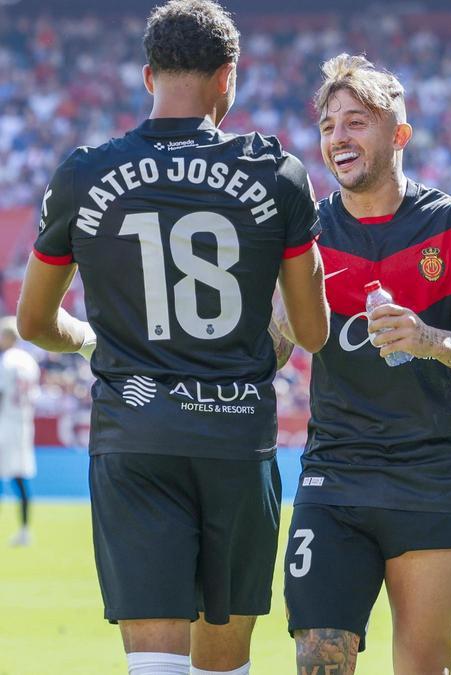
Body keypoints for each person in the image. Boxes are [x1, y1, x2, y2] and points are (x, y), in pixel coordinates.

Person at [15, 1, 330, 673]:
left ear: (146, 74)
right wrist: (262, 332)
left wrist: (91, 341)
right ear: (228, 77)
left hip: (135, 439)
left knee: (155, 665)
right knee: (226, 664)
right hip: (236, 436)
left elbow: (34, 322)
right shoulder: (277, 175)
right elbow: (311, 329)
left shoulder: (85, 172)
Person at [280, 54, 451, 675]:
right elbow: (273, 350)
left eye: (356, 121)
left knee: (423, 668)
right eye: (329, 124)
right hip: (334, 472)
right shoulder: (303, 233)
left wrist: (430, 340)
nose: (338, 136)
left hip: (431, 476)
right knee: (317, 663)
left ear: (399, 135)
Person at [0, 317, 39, 547]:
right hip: (24, 423)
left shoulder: (7, 361)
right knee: (20, 478)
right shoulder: (29, 361)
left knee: (15, 477)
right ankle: (25, 530)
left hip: (6, 422)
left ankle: (23, 531)